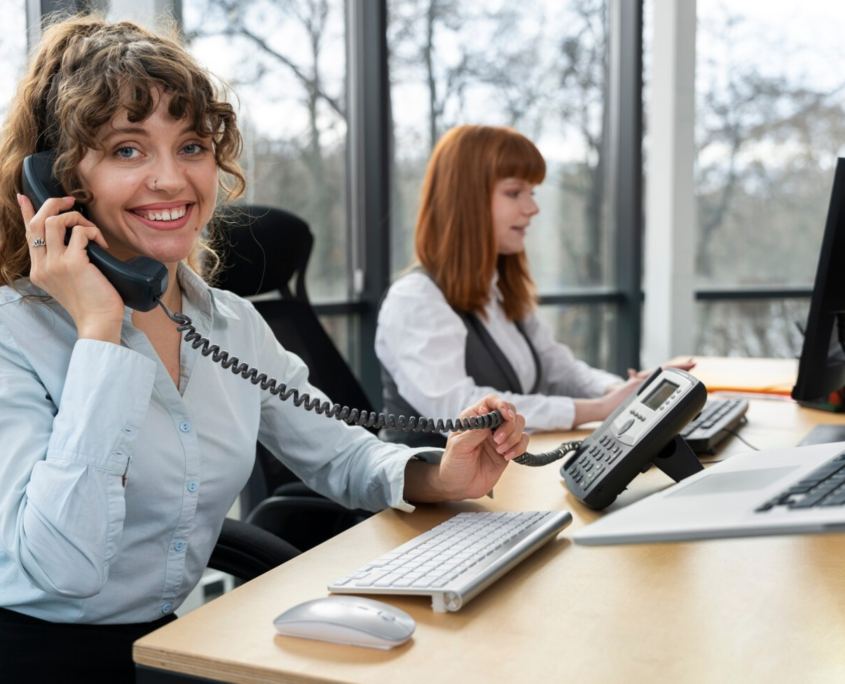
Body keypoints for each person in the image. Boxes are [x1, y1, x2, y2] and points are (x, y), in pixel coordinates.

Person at [0, 18, 528, 682]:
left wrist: (438, 477)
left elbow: (339, 451)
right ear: (57, 180)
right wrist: (100, 334)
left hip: (174, 645)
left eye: (191, 146)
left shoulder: (231, 325)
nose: (171, 179)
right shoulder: (12, 334)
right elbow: (62, 570)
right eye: (127, 150)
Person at [376, 125, 692, 448]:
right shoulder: (415, 299)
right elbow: (460, 410)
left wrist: (629, 392)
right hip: (436, 493)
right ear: (465, 200)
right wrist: (597, 409)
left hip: (503, 482)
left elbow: (560, 369)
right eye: (515, 193)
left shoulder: (499, 291)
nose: (532, 208)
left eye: (533, 192)